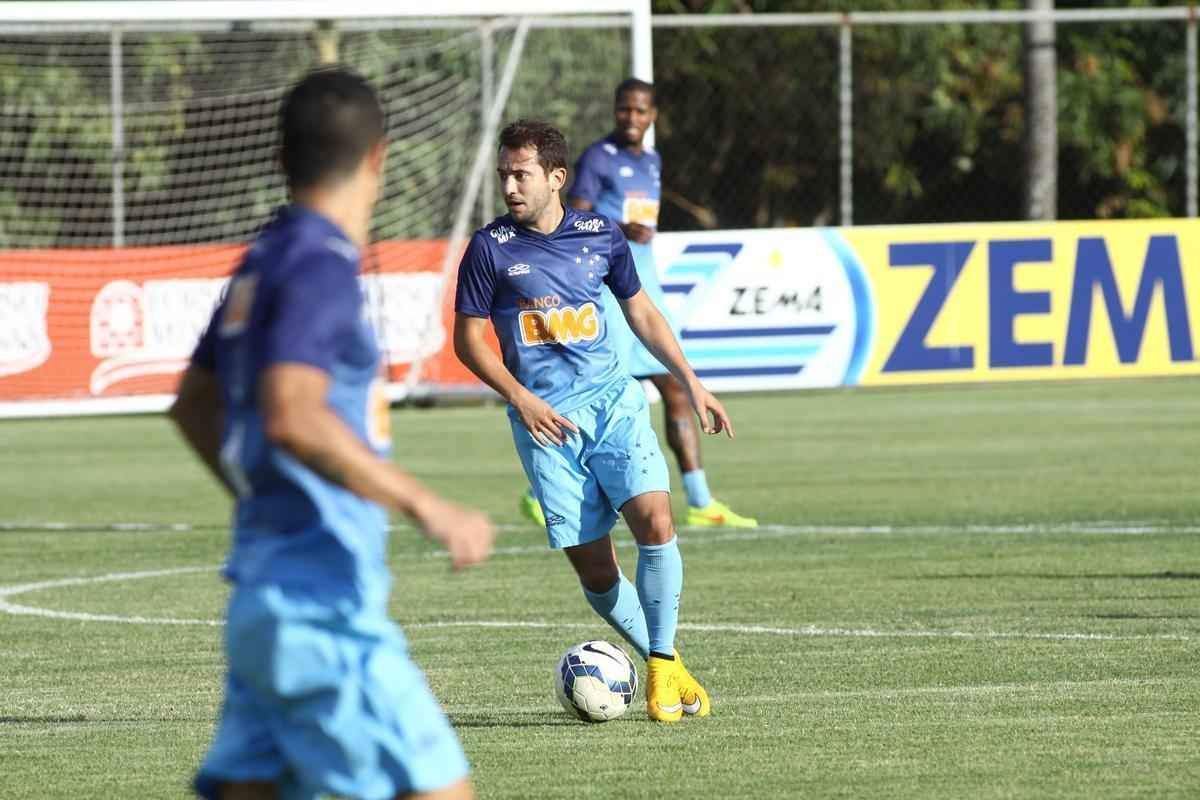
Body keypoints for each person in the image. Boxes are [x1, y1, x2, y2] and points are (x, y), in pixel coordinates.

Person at [169, 67, 494, 800]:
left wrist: (259, 492)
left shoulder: (264, 259)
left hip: (261, 600)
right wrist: (425, 505)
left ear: (282, 159)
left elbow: (193, 403)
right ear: (379, 156)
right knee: (441, 791)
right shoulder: (320, 264)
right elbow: (293, 411)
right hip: (324, 610)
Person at [454, 119, 730, 723]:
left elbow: (643, 315)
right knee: (597, 571)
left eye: (520, 173)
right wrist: (521, 399)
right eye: (504, 173)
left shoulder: (600, 236)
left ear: (556, 178)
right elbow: (468, 342)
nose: (509, 185)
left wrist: (691, 380)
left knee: (656, 520)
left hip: (614, 404)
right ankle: (670, 661)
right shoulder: (489, 248)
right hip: (546, 426)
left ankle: (657, 663)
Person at [518, 78, 757, 530]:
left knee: (674, 392)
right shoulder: (597, 159)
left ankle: (702, 501)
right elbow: (573, 216)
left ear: (653, 116)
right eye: (624, 109)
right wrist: (620, 229)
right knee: (591, 392)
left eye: (640, 110)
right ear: (615, 111)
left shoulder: (651, 160)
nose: (632, 117)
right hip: (606, 293)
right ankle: (540, 490)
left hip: (642, 285)